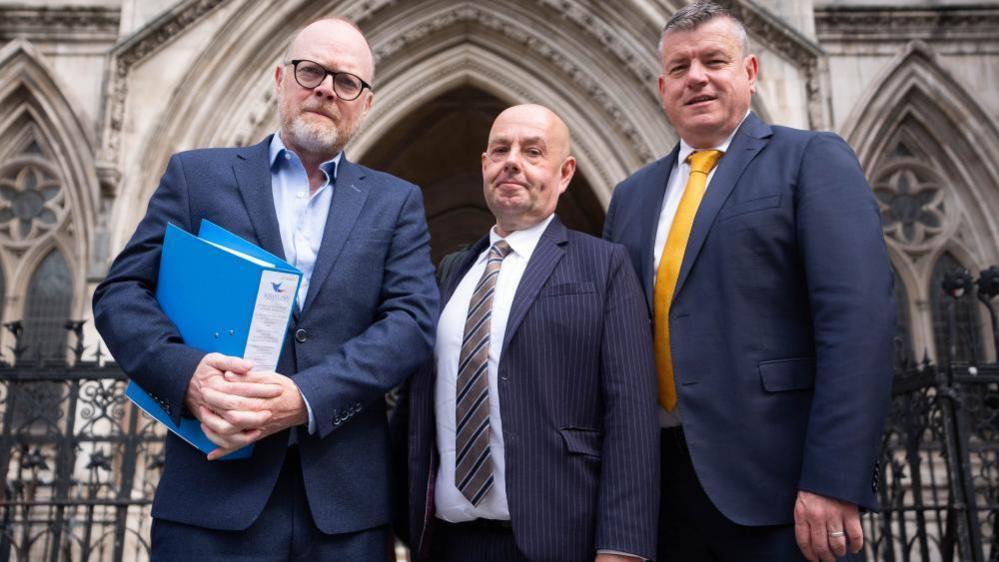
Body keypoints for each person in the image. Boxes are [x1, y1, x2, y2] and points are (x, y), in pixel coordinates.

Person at [92, 17, 438, 560]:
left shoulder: (395, 203)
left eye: (347, 82)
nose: (326, 88)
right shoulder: (196, 177)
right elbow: (121, 292)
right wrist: (189, 377)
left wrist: (305, 398)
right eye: (311, 71)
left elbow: (413, 323)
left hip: (344, 513)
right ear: (280, 79)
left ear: (365, 104)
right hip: (209, 503)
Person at [602, 3, 895, 562]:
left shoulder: (809, 159)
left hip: (782, 492)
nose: (698, 78)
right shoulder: (631, 197)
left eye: (715, 60)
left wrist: (835, 479)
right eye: (681, 68)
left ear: (751, 72)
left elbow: (858, 326)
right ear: (662, 86)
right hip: (662, 498)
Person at [399, 104, 659, 562]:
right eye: (500, 149)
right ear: (484, 166)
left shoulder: (604, 266)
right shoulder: (450, 273)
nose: (512, 161)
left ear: (565, 173)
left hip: (560, 541)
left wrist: (623, 547)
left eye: (533, 151)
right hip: (449, 543)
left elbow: (631, 416)